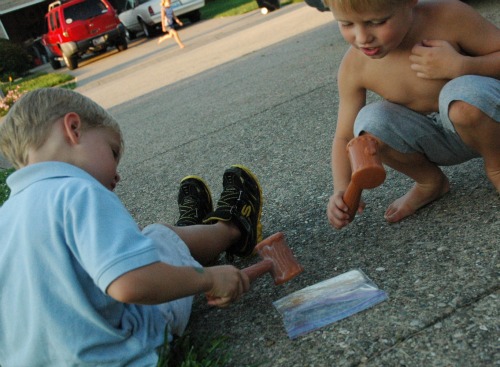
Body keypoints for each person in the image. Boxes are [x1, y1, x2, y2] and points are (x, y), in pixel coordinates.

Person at [0, 88, 263, 365]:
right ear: (73, 128)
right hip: (120, 352)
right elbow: (129, 284)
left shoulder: (6, 215)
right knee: (159, 237)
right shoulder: (79, 191)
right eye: (113, 152)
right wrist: (209, 279)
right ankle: (233, 229)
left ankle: (192, 231)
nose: (117, 175)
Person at [325, 0, 500, 229]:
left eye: (377, 22)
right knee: (368, 124)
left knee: (461, 97)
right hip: (439, 140)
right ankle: (430, 182)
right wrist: (341, 188)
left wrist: (462, 66)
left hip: (487, 120)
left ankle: (496, 166)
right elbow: (345, 137)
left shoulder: (448, 16)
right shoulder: (355, 66)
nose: (362, 37)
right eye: (346, 24)